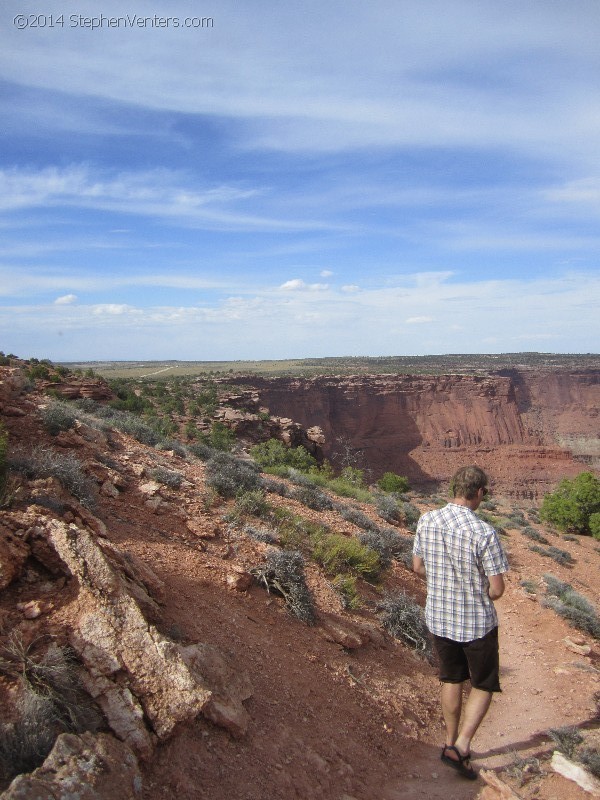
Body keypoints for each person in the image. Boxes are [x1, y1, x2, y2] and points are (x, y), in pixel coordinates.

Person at [412, 465, 508, 780]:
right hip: (477, 624)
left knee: (450, 680)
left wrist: (443, 582)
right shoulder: (484, 532)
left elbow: (418, 567)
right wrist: (475, 590)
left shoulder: (426, 520)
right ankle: (463, 746)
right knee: (482, 683)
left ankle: (449, 741)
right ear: (478, 492)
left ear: (453, 488)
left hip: (439, 618)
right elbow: (496, 589)